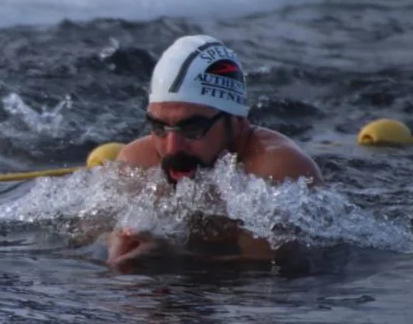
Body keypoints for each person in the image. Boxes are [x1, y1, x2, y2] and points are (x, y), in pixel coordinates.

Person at [105, 34, 324, 270]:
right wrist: (114, 243)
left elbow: (271, 269)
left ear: (238, 122)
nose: (171, 148)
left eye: (193, 128)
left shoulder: (278, 169)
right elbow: (88, 235)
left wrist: (176, 258)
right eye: (159, 127)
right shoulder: (137, 161)